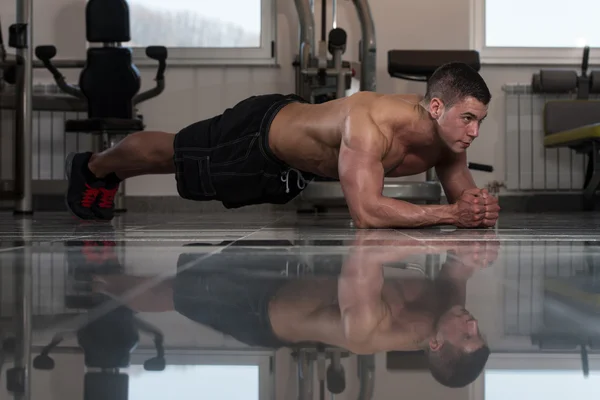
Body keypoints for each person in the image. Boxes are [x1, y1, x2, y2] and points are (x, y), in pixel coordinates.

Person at [65, 62, 500, 228]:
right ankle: (97, 167)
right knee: (175, 154)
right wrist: (450, 214)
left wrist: (479, 207)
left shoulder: (450, 138)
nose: (473, 133)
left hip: (291, 168)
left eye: (479, 121)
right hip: (261, 131)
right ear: (437, 106)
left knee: (195, 177)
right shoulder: (372, 122)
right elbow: (366, 212)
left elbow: (464, 197)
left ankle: (105, 170)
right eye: (467, 119)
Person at [88, 230, 497, 388]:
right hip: (284, 277)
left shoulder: (373, 332)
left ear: (437, 345)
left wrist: (442, 242)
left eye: (467, 336)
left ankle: (95, 284)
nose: (473, 324)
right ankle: (102, 274)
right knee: (182, 274)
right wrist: (477, 249)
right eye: (477, 331)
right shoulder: (450, 309)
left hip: (255, 310)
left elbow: (364, 251)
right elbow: (458, 266)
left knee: (172, 293)